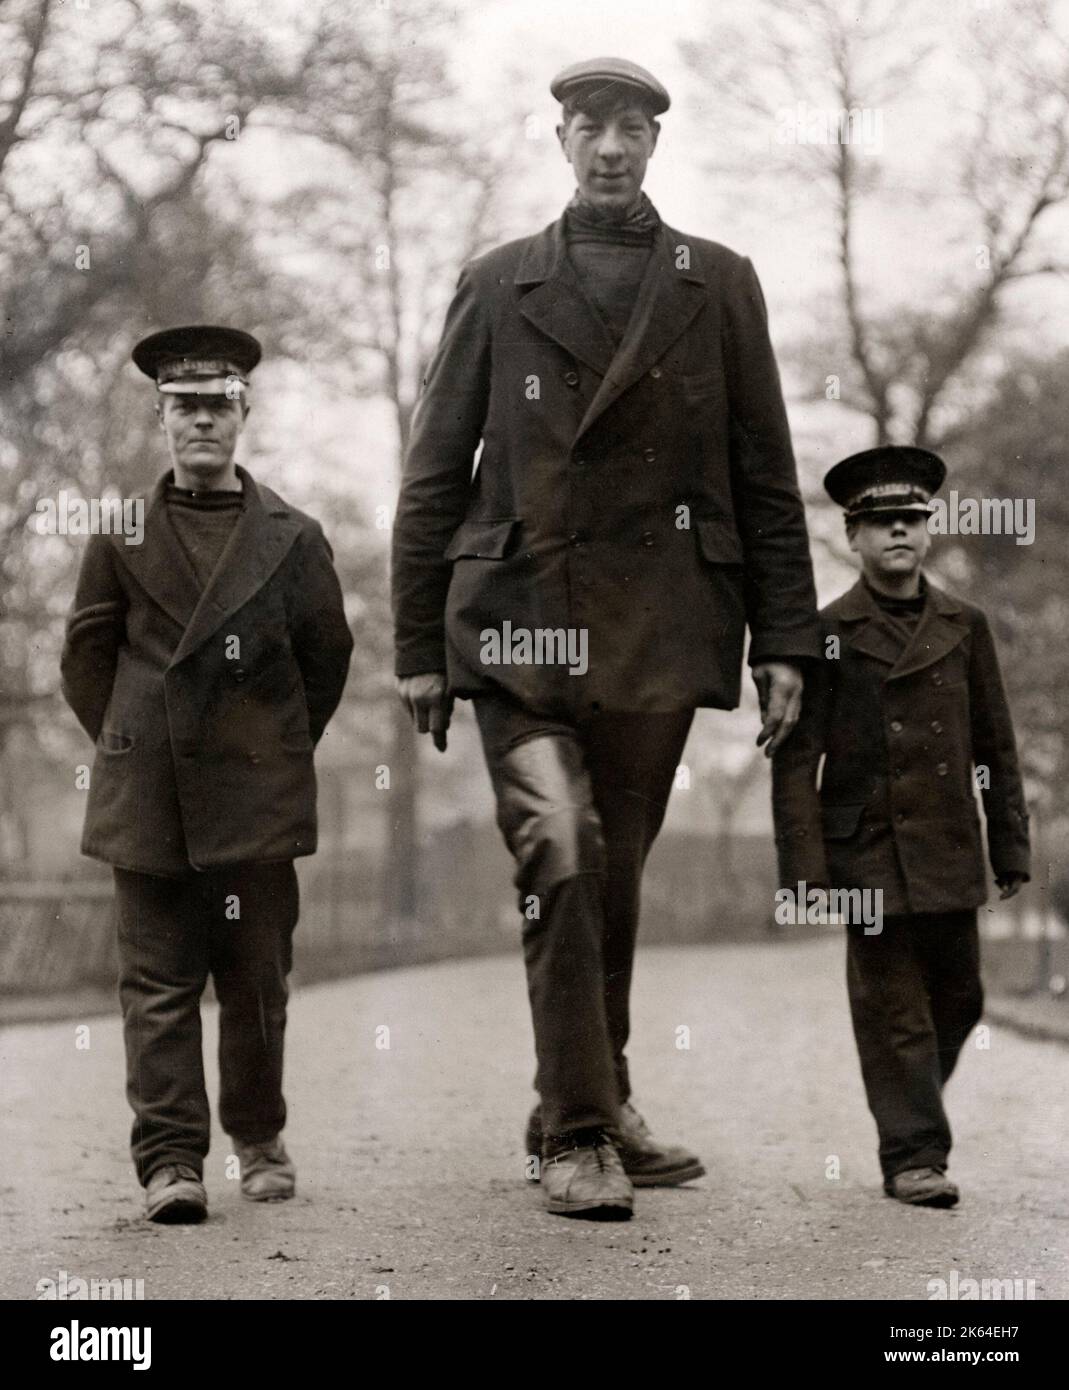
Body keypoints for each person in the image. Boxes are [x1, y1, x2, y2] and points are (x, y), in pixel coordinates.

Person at [392, 58, 820, 1219]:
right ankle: (575, 1134)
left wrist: (786, 637)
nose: (611, 148)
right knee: (565, 851)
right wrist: (417, 646)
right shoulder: (496, 285)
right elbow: (434, 477)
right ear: (560, 140)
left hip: (658, 628)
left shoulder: (717, 283)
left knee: (613, 874)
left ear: (654, 143)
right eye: (590, 128)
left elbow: (764, 476)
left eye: (631, 128)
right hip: (518, 627)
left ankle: (599, 1090)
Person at [60, 325, 353, 1223]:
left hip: (254, 799)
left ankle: (259, 1140)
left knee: (257, 982)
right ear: (160, 417)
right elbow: (86, 662)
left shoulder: (292, 537)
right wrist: (134, 743)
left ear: (243, 414)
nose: (201, 424)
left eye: (217, 406)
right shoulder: (117, 535)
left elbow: (324, 660)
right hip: (147, 798)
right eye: (184, 407)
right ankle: (171, 1163)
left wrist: (266, 749)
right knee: (155, 988)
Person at [772, 445, 1030, 1207]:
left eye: (911, 521)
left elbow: (995, 743)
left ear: (929, 531)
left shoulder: (965, 625)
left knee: (960, 1001)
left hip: (948, 846)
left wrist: (1008, 842)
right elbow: (796, 761)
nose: (898, 534)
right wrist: (804, 869)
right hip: (866, 855)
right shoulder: (825, 632)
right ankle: (913, 1154)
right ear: (852, 537)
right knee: (894, 1012)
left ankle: (909, 1105)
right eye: (880, 523)